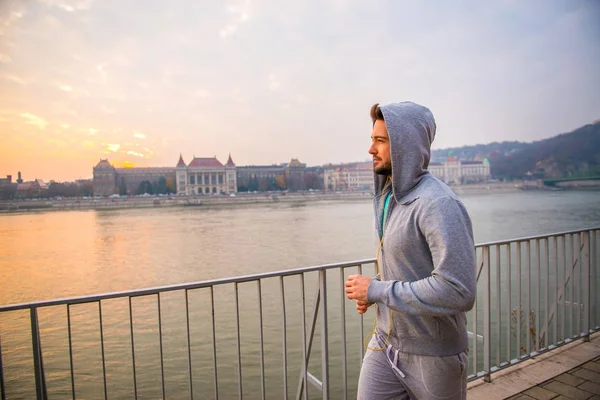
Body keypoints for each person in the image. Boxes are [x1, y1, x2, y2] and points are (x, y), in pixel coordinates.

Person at [344, 101, 477, 399]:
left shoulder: (439, 204)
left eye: (380, 141)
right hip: (385, 343)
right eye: (372, 139)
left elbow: (458, 290)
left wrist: (377, 291)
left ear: (406, 146)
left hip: (434, 357)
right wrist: (371, 293)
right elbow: (406, 264)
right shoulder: (388, 197)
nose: (370, 149)